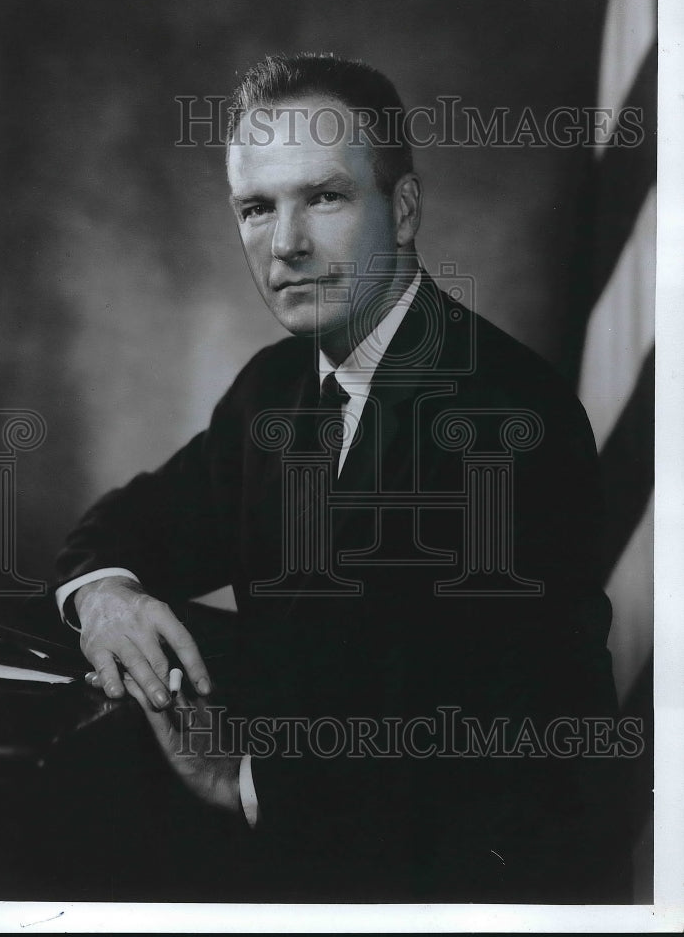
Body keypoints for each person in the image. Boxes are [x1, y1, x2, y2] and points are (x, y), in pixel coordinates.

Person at [55, 54, 629, 902]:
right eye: (256, 207)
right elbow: (129, 525)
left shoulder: (507, 417)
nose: (284, 244)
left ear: (402, 211)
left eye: (323, 197)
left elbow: (490, 755)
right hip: (307, 869)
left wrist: (244, 782)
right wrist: (105, 592)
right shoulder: (272, 391)